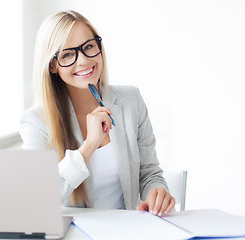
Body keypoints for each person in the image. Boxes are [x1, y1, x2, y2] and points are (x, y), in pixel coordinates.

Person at [19, 10, 175, 216]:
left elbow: (149, 174)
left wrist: (156, 193)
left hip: (129, 231)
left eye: (89, 46)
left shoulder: (131, 100)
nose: (83, 60)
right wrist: (90, 144)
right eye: (67, 54)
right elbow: (36, 197)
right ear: (53, 65)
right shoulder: (36, 122)